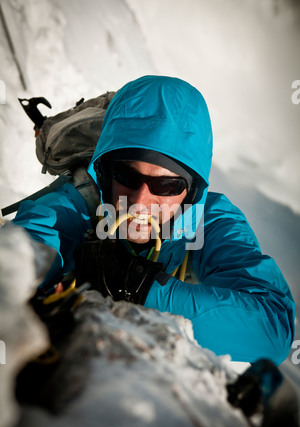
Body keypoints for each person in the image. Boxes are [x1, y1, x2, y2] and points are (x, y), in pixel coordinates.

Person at [13, 75, 295, 365]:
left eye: (167, 186)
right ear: (106, 174)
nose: (139, 201)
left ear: (191, 192)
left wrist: (141, 286)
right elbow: (15, 266)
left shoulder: (209, 220)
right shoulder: (74, 208)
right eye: (127, 175)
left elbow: (273, 330)